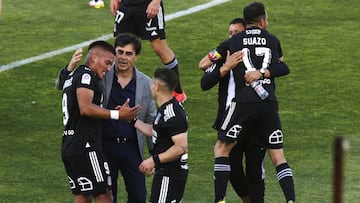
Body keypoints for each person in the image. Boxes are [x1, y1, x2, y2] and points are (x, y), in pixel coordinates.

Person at [57, 33, 157, 203]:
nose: (111, 66)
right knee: (105, 195)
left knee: (85, 194)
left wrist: (154, 155)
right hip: (94, 145)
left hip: (121, 146)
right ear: (95, 57)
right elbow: (85, 107)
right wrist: (119, 114)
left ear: (136, 57)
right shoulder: (91, 75)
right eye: (119, 53)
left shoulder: (146, 83)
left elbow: (151, 118)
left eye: (129, 53)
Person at [210, 2, 295, 203]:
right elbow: (283, 68)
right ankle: (291, 200)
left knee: (221, 149)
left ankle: (219, 201)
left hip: (243, 103)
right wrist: (263, 73)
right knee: (278, 157)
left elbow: (206, 62)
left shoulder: (233, 41)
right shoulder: (272, 40)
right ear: (262, 20)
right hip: (268, 104)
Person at [200, 18, 267, 203]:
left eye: (236, 33)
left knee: (255, 170)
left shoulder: (259, 57)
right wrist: (226, 67)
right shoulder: (225, 57)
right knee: (233, 169)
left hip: (254, 120)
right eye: (230, 33)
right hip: (229, 119)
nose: (232, 37)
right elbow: (204, 81)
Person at [109, 0, 187, 103]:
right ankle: (120, 88)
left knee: (159, 48)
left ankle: (177, 91)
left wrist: (156, 1)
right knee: (122, 46)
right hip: (126, 5)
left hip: (148, 4)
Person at [134, 68, 188, 203]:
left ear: (157, 87)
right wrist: (132, 121)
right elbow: (156, 132)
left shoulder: (172, 113)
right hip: (166, 172)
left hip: (170, 174)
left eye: (152, 84)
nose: (151, 87)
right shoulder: (166, 109)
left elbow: (181, 148)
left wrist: (153, 161)